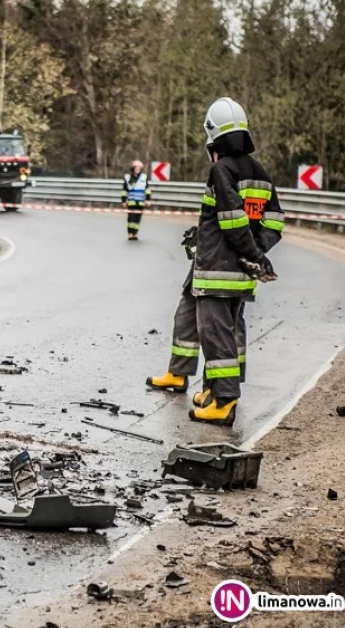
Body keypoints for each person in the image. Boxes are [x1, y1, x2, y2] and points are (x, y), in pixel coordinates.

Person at [146, 97, 284, 425]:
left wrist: (251, 253)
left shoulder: (221, 169)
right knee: (188, 313)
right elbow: (273, 220)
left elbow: (233, 220)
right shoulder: (259, 172)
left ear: (213, 135)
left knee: (216, 332)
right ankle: (182, 376)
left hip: (218, 271)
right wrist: (251, 247)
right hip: (218, 266)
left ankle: (224, 401)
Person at [121, 160, 151, 240]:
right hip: (131, 202)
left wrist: (148, 200)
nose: (138, 169)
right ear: (133, 168)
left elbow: (147, 189)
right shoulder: (128, 177)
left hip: (140, 202)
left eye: (139, 168)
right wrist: (123, 201)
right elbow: (124, 190)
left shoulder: (144, 177)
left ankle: (134, 233)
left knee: (137, 218)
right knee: (131, 218)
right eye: (136, 168)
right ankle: (130, 233)